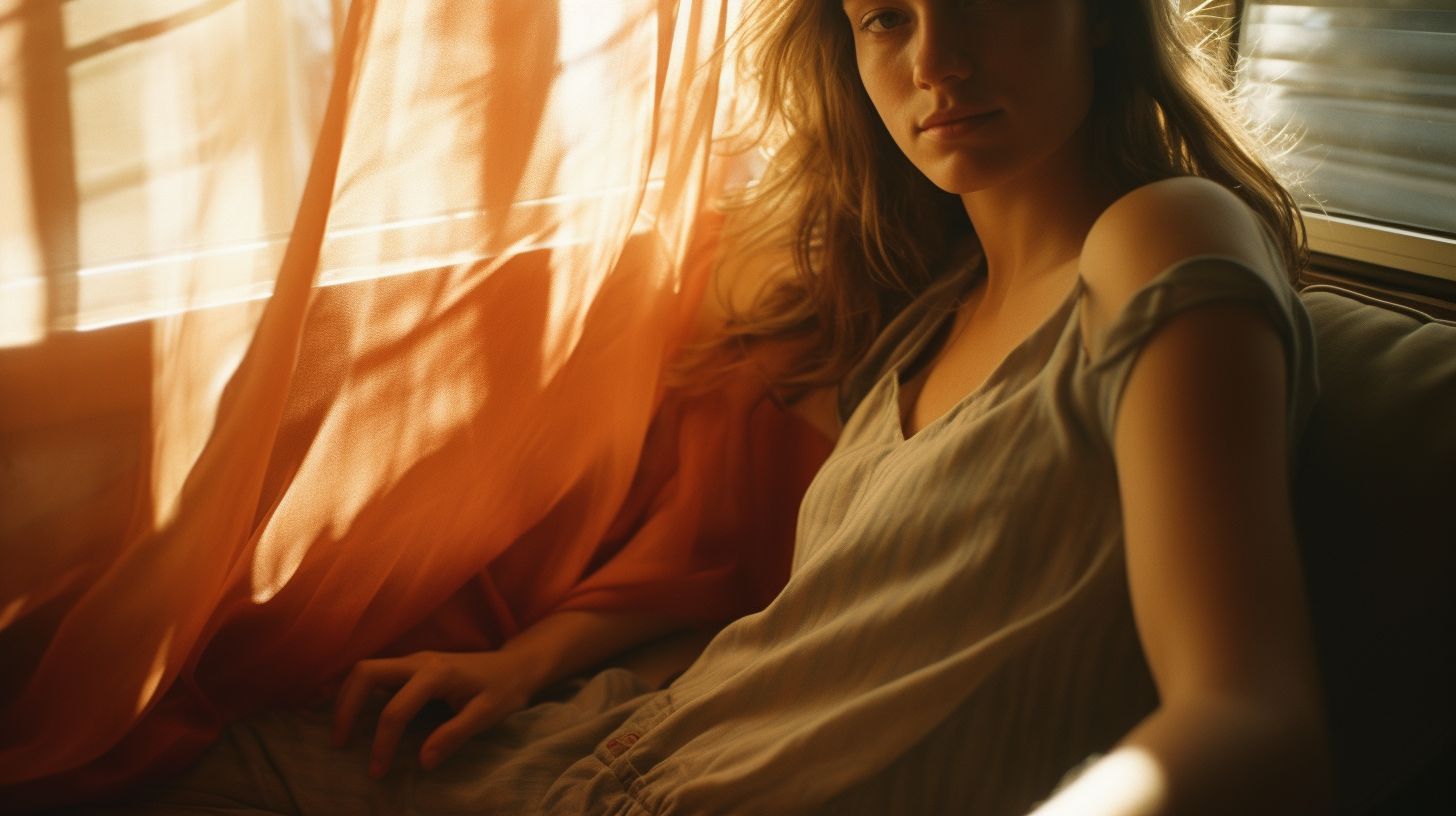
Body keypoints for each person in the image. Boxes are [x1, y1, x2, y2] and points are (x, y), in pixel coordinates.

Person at [97, 0, 1331, 813]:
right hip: (619, 754)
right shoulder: (925, 317)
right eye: (884, 17)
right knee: (195, 754)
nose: (934, 62)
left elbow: (1249, 713)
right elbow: (823, 632)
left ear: (1097, 20)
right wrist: (522, 664)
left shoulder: (1159, 234)